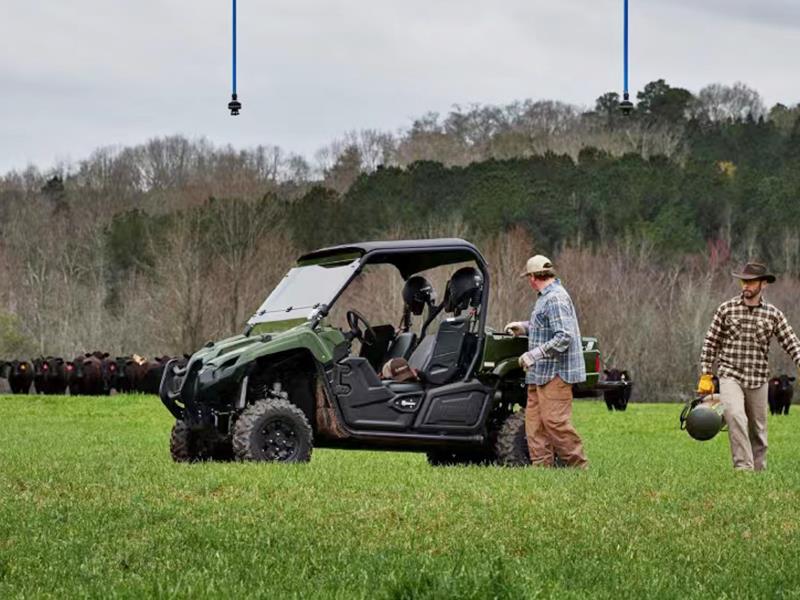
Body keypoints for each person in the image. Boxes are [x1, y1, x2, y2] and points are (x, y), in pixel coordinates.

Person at [699, 261, 800, 471]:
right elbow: (711, 342)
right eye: (744, 281)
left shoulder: (773, 314)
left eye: (751, 282)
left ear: (763, 284)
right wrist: (706, 374)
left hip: (758, 378)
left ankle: (758, 471)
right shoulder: (726, 309)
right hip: (730, 375)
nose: (746, 285)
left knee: (758, 429)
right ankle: (743, 469)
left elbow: (791, 342)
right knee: (735, 416)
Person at [504, 255, 588, 468]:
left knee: (556, 423)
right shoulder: (545, 297)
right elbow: (544, 327)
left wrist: (533, 355)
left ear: (533, 277)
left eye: (528, 277)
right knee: (534, 425)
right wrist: (523, 327)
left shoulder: (555, 298)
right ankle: (542, 469)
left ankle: (579, 467)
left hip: (555, 373)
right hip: (539, 374)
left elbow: (563, 336)